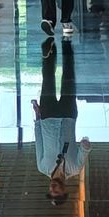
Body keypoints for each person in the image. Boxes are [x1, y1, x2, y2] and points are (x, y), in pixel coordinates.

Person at [33, 39, 82, 203]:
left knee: (47, 79)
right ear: (65, 191)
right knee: (69, 77)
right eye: (57, 193)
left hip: (47, 117)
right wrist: (86, 146)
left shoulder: (42, 167)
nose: (53, 189)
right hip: (68, 117)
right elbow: (84, 149)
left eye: (51, 192)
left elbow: (38, 141)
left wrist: (37, 117)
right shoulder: (75, 168)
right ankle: (67, 42)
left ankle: (49, 49)